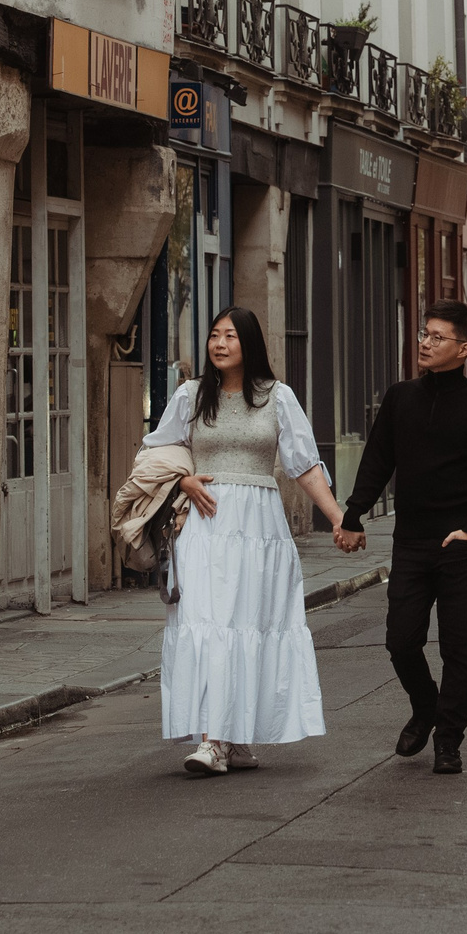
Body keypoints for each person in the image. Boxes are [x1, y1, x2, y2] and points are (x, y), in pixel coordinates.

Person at [143, 306, 352, 777]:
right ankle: (212, 739)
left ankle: (234, 739)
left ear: (250, 343)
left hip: (260, 531)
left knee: (248, 624)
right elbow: (155, 450)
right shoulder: (190, 396)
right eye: (214, 335)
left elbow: (304, 466)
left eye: (230, 336)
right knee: (207, 621)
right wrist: (184, 480)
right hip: (203, 525)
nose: (219, 344)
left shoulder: (277, 398)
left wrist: (339, 519)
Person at [334, 300, 467, 775]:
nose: (426, 344)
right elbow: (377, 461)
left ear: (464, 349)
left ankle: (448, 740)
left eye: (437, 337)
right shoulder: (400, 397)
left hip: (457, 546)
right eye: (424, 334)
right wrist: (353, 516)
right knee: (400, 641)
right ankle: (426, 706)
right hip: (410, 543)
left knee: (458, 647)